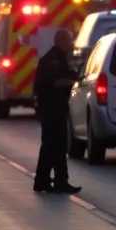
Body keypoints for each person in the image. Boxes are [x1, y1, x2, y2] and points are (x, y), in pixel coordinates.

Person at [33, 29, 82, 194]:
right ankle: (60, 181)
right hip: (51, 108)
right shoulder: (52, 60)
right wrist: (73, 81)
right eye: (69, 40)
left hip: (54, 107)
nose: (72, 44)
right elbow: (55, 81)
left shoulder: (59, 58)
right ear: (61, 41)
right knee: (58, 145)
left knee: (49, 146)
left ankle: (42, 180)